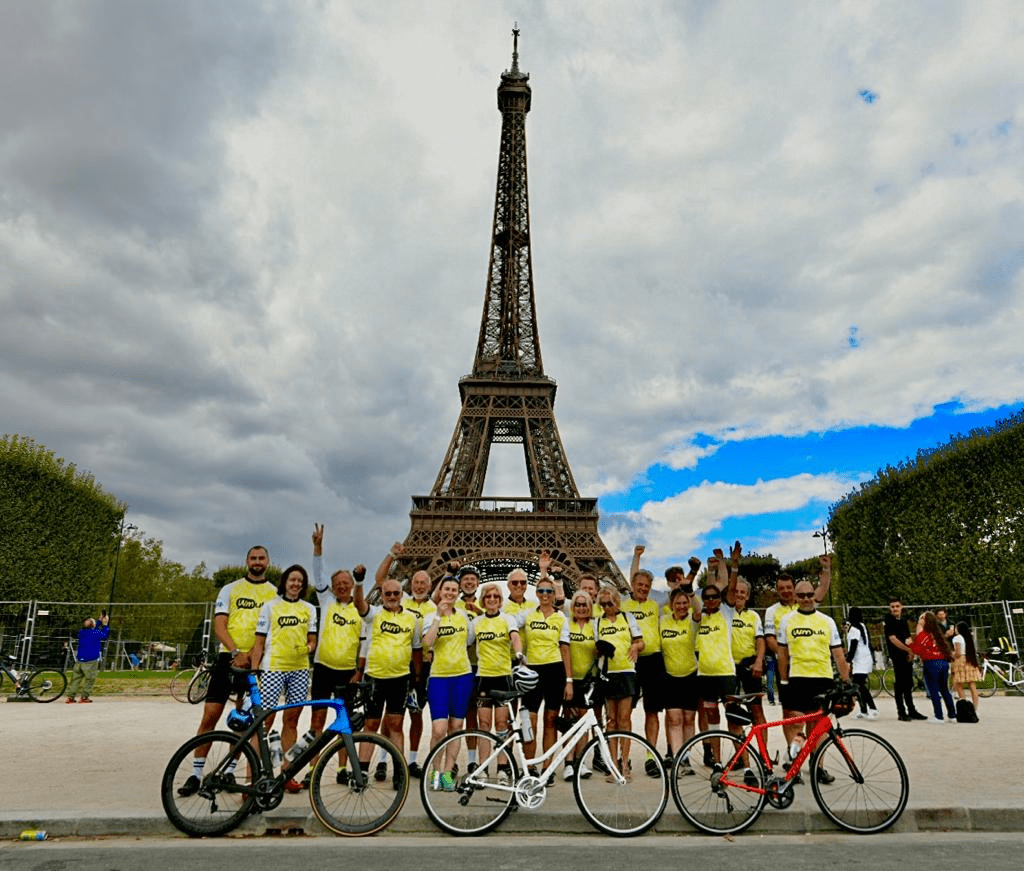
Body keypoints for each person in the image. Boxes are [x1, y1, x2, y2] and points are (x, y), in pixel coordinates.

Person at [178, 545, 278, 797]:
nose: (257, 561)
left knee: (245, 721)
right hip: (228, 658)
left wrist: (254, 654)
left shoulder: (275, 593)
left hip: (257, 661)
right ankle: (196, 774)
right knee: (210, 716)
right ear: (247, 561)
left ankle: (230, 768)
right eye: (253, 558)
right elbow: (220, 626)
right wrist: (236, 652)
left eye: (261, 558)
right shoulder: (230, 588)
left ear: (267, 561)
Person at [250, 564, 318, 792]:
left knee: (291, 722)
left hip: (298, 669)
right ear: (284, 582)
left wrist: (309, 647)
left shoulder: (309, 608)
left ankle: (286, 773)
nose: (296, 584)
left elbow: (312, 639)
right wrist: (254, 669)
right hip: (273, 668)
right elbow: (259, 642)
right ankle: (252, 777)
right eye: (292, 580)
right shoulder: (270, 607)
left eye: (300, 580)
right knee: (265, 722)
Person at [776, 578, 849, 782]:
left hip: (822, 678)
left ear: (814, 597)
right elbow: (782, 655)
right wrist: (783, 682)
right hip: (797, 678)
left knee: (818, 727)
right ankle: (795, 767)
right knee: (796, 726)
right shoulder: (787, 620)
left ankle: (817, 766)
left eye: (810, 595)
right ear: (796, 598)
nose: (806, 599)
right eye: (802, 595)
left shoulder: (827, 621)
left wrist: (847, 683)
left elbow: (838, 654)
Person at [354, 573, 423, 789]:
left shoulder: (412, 619)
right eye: (388, 593)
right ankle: (362, 771)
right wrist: (358, 582)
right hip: (375, 677)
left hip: (400, 679)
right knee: (371, 724)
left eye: (395, 593)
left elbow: (417, 650)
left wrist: (418, 678)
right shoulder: (374, 614)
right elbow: (359, 604)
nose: (392, 596)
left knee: (396, 725)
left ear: (402, 595)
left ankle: (399, 772)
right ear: (382, 595)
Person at [309, 524, 364, 787]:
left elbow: (365, 643)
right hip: (323, 668)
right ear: (332, 587)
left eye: (346, 583)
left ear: (353, 586)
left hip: (347, 672)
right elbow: (317, 575)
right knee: (317, 719)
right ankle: (313, 766)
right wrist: (318, 548)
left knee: (345, 724)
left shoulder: (362, 610)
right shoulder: (327, 602)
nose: (342, 586)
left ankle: (343, 768)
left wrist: (359, 670)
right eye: (338, 583)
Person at [764, 557, 834, 751]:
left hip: (813, 669)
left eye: (788, 587)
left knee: (817, 717)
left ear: (794, 589)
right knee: (791, 716)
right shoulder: (772, 611)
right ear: (777, 590)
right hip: (787, 668)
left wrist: (826, 570)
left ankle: (817, 763)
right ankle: (793, 755)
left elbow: (821, 590)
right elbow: (770, 640)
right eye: (781, 588)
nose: (785, 591)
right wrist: (786, 655)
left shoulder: (805, 601)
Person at [422, 577, 476, 790]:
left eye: (454, 590)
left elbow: (470, 640)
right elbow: (427, 643)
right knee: (438, 729)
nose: (451, 593)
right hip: (439, 678)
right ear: (440, 591)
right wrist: (437, 616)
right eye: (447, 589)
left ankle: (447, 772)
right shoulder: (430, 616)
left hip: (462, 676)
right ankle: (434, 770)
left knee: (456, 727)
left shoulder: (464, 616)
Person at [518, 574, 573, 773]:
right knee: (530, 721)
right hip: (532, 671)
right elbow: (505, 624)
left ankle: (547, 768)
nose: (545, 594)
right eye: (541, 591)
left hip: (554, 671)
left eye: (549, 591)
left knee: (550, 721)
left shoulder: (561, 618)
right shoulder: (527, 615)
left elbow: (565, 648)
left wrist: (569, 680)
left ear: (554, 594)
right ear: (536, 593)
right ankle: (530, 768)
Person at [473, 582, 523, 783]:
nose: (492, 599)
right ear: (483, 600)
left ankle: (503, 767)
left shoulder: (507, 619)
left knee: (502, 725)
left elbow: (515, 636)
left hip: (503, 677)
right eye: (488, 597)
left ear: (500, 600)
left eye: (495, 596)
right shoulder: (476, 622)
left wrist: (519, 653)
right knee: (484, 724)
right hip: (484, 677)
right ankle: (483, 768)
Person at [624, 545, 667, 778]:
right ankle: (624, 756)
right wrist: (636, 557)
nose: (643, 588)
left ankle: (651, 756)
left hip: (653, 661)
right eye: (639, 585)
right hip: (630, 662)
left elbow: (685, 596)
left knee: (652, 711)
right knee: (625, 712)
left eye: (647, 586)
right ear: (633, 585)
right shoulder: (623, 604)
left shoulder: (654, 605)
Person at [595, 586, 644, 782]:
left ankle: (624, 762)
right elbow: (595, 649)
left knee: (624, 720)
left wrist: (634, 645)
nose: (607, 607)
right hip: (608, 674)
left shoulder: (628, 618)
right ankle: (613, 764)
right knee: (611, 721)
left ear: (617, 601)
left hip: (626, 672)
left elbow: (641, 642)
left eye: (610, 603)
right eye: (603, 604)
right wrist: (600, 649)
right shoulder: (597, 622)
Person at [722, 542, 768, 744]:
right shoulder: (725, 613)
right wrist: (734, 564)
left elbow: (760, 641)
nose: (739, 595)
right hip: (729, 668)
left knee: (757, 711)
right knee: (732, 714)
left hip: (750, 667)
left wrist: (759, 661)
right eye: (736, 592)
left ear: (748, 596)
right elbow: (729, 587)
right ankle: (742, 755)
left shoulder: (754, 617)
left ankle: (763, 755)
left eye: (743, 592)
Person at [660, 582, 701, 772]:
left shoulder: (693, 620)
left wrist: (691, 591)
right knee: (674, 719)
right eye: (678, 603)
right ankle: (677, 759)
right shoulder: (663, 620)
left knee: (689, 719)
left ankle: (686, 758)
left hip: (691, 675)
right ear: (671, 603)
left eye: (685, 603)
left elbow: (699, 611)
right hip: (669, 677)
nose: (682, 606)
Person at [401, 567, 437, 778]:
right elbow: (380, 581)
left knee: (417, 713)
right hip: (398, 665)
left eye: (424, 582)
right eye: (416, 581)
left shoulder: (435, 610)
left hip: (423, 668)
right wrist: (392, 554)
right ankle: (385, 760)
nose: (420, 585)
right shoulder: (401, 603)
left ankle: (414, 762)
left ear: (430, 586)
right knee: (392, 716)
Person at [563, 589, 598, 780]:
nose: (581, 608)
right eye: (578, 604)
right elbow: (563, 651)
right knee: (569, 722)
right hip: (570, 679)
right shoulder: (567, 625)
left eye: (585, 604)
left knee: (584, 722)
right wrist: (568, 680)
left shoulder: (595, 626)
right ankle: (568, 762)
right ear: (572, 606)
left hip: (588, 680)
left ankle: (581, 760)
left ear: (590, 607)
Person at [884, 597, 927, 721]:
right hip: (897, 655)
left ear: (901, 607)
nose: (895, 609)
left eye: (897, 606)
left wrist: (912, 651)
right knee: (900, 684)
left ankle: (912, 710)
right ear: (890, 608)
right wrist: (907, 649)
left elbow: (908, 638)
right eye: (892, 606)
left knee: (908, 684)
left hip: (906, 655)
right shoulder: (889, 620)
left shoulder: (903, 621)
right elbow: (892, 639)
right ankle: (901, 712)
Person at [909, 611, 956, 723]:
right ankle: (952, 715)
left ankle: (938, 716)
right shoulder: (938, 633)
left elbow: (917, 650)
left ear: (924, 620)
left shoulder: (924, 634)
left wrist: (910, 643)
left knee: (934, 690)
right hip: (943, 663)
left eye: (921, 618)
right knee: (945, 689)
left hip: (931, 663)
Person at [66, 611, 110, 703]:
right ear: (93, 624)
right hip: (91, 659)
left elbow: (91, 627)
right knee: (90, 679)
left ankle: (70, 697)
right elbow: (105, 635)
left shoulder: (82, 632)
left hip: (80, 659)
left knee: (76, 679)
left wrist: (99, 620)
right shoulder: (96, 632)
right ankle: (84, 697)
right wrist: (105, 624)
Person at [845, 606, 878, 719]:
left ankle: (872, 708)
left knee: (860, 686)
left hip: (860, 660)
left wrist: (848, 661)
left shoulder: (854, 629)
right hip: (865, 658)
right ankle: (864, 710)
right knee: (858, 686)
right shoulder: (862, 626)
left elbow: (853, 647)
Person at [951, 621, 982, 711]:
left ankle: (963, 706)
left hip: (960, 661)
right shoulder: (968, 638)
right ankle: (975, 708)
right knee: (972, 686)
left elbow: (957, 653)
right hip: (969, 660)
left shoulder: (957, 638)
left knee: (959, 684)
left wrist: (951, 653)